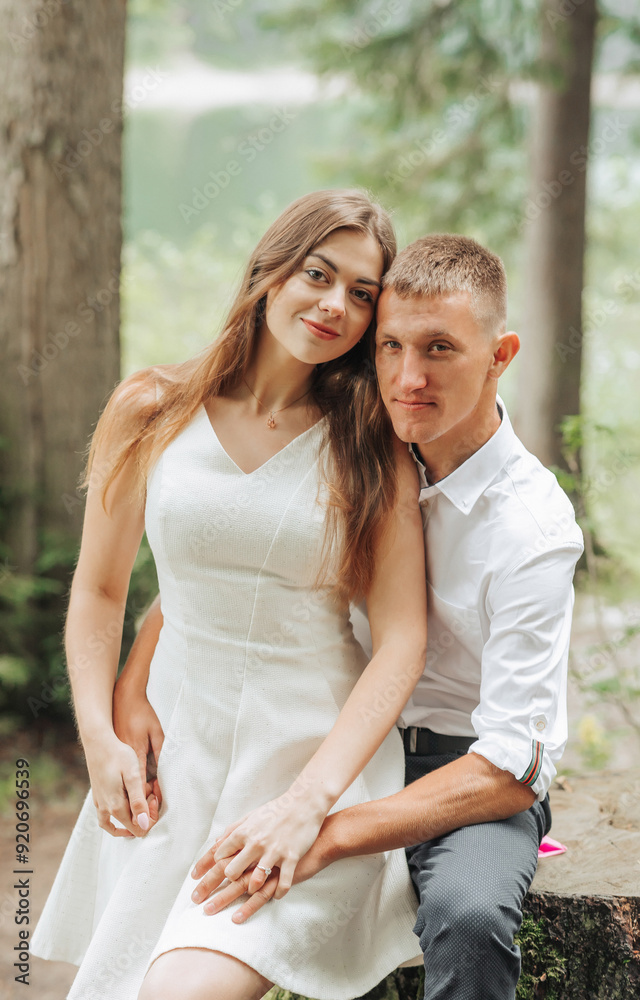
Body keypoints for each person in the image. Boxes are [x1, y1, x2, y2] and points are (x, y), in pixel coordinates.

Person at [123, 233, 584, 1000]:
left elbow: (513, 766)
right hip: (320, 742)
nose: (408, 378)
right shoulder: (357, 446)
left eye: (440, 349)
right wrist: (133, 685)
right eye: (392, 346)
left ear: (499, 355)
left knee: (469, 916)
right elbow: (234, 570)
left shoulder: (530, 528)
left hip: (455, 770)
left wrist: (327, 830)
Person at [30, 189, 430, 1000]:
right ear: (269, 270)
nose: (334, 306)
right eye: (318, 274)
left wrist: (308, 805)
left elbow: (401, 640)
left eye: (361, 294)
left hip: (310, 761)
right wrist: (101, 731)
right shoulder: (149, 408)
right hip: (176, 755)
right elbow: (103, 590)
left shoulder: (367, 447)